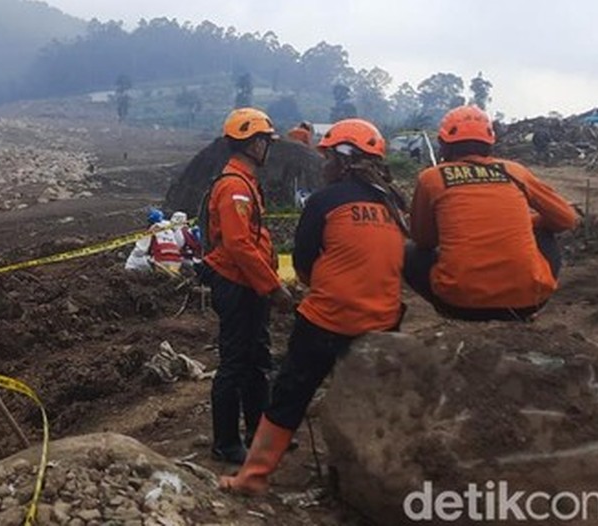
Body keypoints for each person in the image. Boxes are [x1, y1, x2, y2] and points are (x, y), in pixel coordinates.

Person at [220, 118, 408, 494]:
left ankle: (253, 477)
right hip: (383, 323)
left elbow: (304, 263)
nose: (322, 164)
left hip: (328, 319)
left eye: (326, 158)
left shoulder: (323, 201)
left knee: (290, 393)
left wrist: (311, 286)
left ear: (342, 160)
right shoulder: (392, 203)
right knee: (366, 399)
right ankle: (364, 480)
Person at [404, 106, 579, 321]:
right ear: (490, 142)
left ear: (443, 144)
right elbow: (566, 219)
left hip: (461, 304)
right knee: (545, 231)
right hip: (528, 301)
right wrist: (530, 222)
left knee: (410, 253)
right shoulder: (515, 171)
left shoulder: (431, 178)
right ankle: (524, 301)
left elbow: (424, 240)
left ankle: (450, 312)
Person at [199, 108, 295, 465]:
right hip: (237, 285)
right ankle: (226, 442)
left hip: (247, 284)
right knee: (236, 363)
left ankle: (259, 433)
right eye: (265, 141)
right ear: (254, 144)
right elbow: (239, 245)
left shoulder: (244, 183)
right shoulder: (235, 187)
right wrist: (273, 287)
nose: (268, 148)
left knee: (257, 359)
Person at [124, 208, 183, 274]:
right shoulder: (170, 229)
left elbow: (140, 250)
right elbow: (179, 244)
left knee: (134, 259)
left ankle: (128, 274)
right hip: (177, 262)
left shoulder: (152, 230)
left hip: (161, 261)